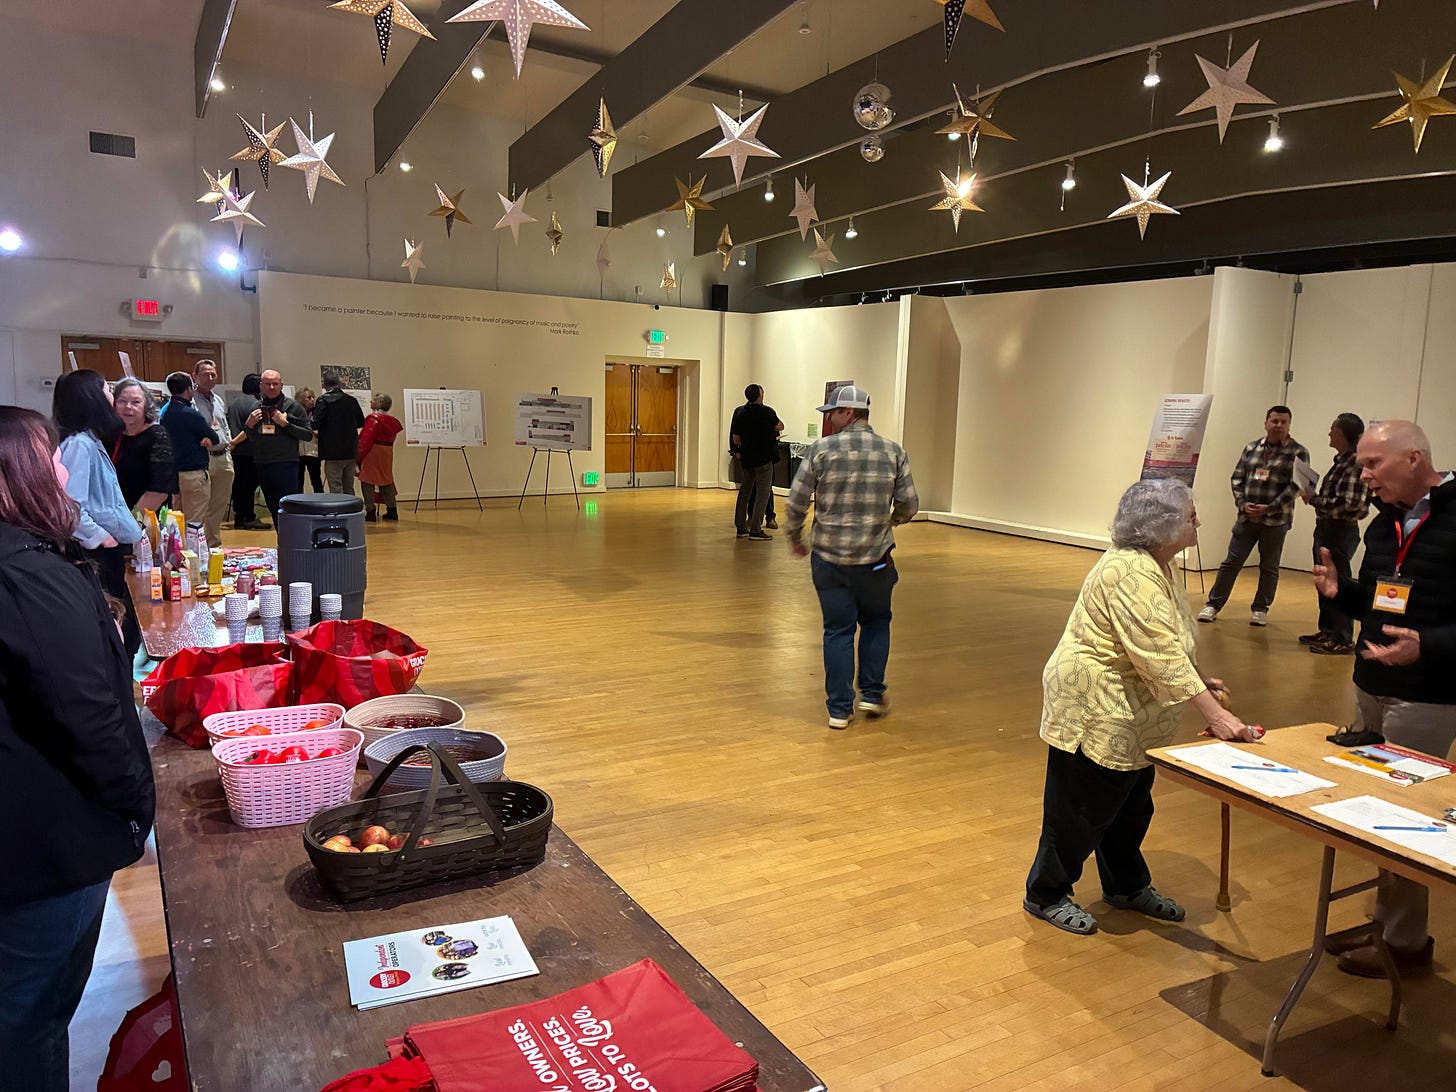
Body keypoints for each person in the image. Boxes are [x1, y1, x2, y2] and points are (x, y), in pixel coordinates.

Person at [1025, 479, 1260, 936]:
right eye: (1190, 515)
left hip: (1134, 712)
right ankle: (1046, 892)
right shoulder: (1129, 571)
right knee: (1079, 811)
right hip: (1097, 705)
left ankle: (1126, 886)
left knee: (1130, 806)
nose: (1198, 522)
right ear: (1161, 525)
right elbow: (1158, 653)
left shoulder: (1159, 565)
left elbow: (1170, 638)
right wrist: (1215, 715)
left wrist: (1199, 678)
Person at [0, 406, 156, 1092]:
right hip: (47, 848)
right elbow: (89, 716)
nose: (64, 474)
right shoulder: (29, 576)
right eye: (50, 461)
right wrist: (135, 807)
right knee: (30, 1019)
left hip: (30, 838)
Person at [1314, 419, 1456, 978]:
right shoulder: (1383, 522)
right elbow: (1380, 600)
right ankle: (1385, 924)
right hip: (1371, 685)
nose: (1365, 476)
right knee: (1375, 810)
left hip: (1425, 695)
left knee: (1403, 818)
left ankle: (1405, 944)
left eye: (1373, 464)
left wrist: (1428, 645)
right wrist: (1342, 593)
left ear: (1415, 458)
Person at [784, 385, 918, 729]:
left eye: (832, 411)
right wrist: (892, 520)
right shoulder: (893, 451)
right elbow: (910, 503)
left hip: (829, 559)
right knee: (876, 622)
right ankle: (872, 694)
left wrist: (795, 536)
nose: (828, 418)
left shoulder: (821, 450)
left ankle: (839, 710)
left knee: (837, 631)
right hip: (876, 559)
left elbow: (796, 500)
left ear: (849, 412)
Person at [51, 370, 143, 657]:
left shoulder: (90, 441)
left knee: (126, 629)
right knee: (117, 629)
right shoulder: (80, 445)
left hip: (107, 551)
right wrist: (102, 537)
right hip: (98, 554)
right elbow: (70, 505)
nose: (112, 397)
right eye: (107, 390)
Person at [1198, 405, 1310, 626]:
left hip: (1276, 521)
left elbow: (1298, 486)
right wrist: (1242, 503)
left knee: (1269, 566)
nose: (1278, 426)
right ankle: (1213, 604)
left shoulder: (1299, 452)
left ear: (1289, 425)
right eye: (1275, 421)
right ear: (1266, 422)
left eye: (1283, 422)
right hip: (1247, 518)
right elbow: (1237, 478)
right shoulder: (1251, 448)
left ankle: (1260, 608)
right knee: (1231, 562)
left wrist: (1270, 508)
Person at [1299, 413, 1371, 655]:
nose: (1329, 433)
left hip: (1340, 530)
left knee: (1338, 582)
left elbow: (1349, 504)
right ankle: (1328, 631)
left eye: (1333, 429)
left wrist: (1314, 499)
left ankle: (1342, 638)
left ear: (1342, 433)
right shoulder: (1342, 461)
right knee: (1324, 580)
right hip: (1327, 527)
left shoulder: (1355, 464)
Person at [243, 369, 313, 524]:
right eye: (267, 384)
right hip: (263, 463)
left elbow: (307, 435)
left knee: (289, 508)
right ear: (261, 386)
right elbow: (253, 438)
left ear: (281, 385)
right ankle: (281, 537)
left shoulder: (292, 407)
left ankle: (292, 539)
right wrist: (248, 426)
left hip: (286, 464)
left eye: (275, 384)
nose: (271, 387)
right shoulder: (255, 408)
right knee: (273, 507)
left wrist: (285, 424)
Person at [159, 371, 220, 528]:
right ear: (188, 389)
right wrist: (207, 438)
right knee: (194, 521)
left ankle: (176, 545)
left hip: (173, 474)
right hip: (193, 473)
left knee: (175, 521)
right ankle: (192, 545)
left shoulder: (164, 412)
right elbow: (215, 437)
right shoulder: (191, 414)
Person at [109, 377, 177, 514]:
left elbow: (160, 490)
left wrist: (131, 520)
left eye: (136, 402)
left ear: (146, 406)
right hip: (116, 514)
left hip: (145, 517)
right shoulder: (114, 435)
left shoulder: (157, 435)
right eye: (122, 401)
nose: (128, 407)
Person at [731, 384, 783, 540]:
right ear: (760, 395)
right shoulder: (767, 412)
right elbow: (780, 426)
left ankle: (741, 528)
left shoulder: (741, 414)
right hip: (764, 459)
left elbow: (736, 439)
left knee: (744, 493)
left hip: (747, 459)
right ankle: (755, 529)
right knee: (763, 494)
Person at [191, 358, 234, 548]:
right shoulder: (190, 401)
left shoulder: (218, 399)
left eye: (213, 374)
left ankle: (213, 544)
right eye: (205, 374)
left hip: (224, 457)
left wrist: (229, 441)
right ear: (195, 376)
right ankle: (198, 546)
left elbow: (223, 425)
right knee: (201, 505)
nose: (210, 378)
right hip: (204, 457)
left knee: (219, 505)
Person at [313, 370, 365, 495]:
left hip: (332, 452)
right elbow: (361, 422)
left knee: (336, 487)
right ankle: (351, 507)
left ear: (324, 384)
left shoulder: (323, 400)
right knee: (349, 487)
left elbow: (315, 423)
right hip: (351, 450)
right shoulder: (351, 400)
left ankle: (339, 508)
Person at [227, 372, 267, 530]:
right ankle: (249, 517)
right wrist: (236, 441)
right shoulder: (256, 405)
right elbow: (249, 429)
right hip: (251, 451)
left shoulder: (234, 404)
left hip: (236, 453)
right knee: (249, 487)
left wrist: (232, 443)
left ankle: (239, 518)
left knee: (238, 485)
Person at [358, 393, 404, 522]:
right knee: (386, 480)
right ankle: (392, 509)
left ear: (378, 403)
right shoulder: (392, 421)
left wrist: (358, 456)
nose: (370, 402)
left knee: (367, 481)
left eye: (372, 400)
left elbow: (365, 441)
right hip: (387, 451)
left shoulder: (373, 419)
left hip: (372, 452)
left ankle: (370, 511)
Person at [296, 386, 324, 493]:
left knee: (316, 480)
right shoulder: (295, 412)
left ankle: (320, 501)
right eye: (309, 397)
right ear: (301, 399)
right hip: (298, 452)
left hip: (313, 451)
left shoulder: (318, 413)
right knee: (298, 481)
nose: (312, 400)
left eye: (313, 397)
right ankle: (299, 501)